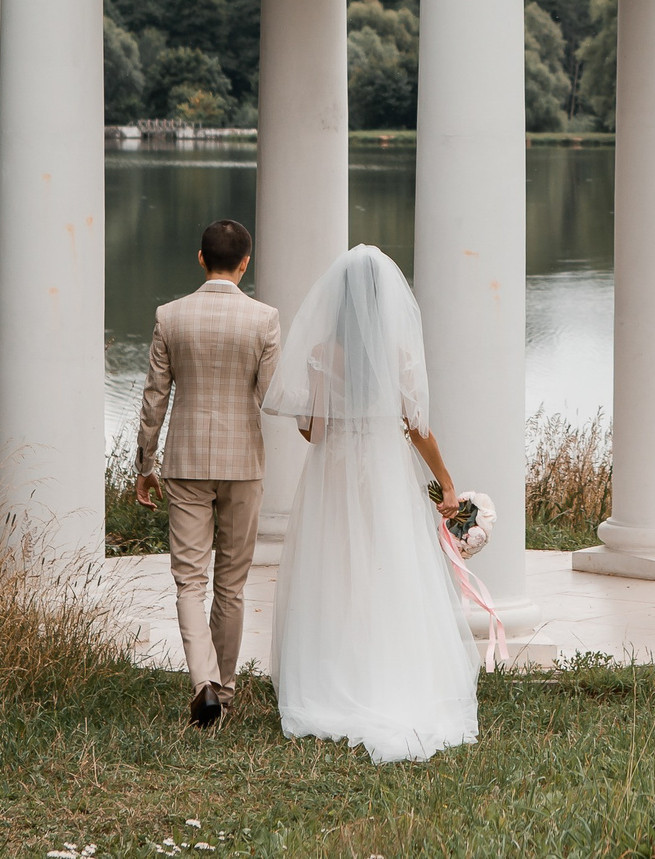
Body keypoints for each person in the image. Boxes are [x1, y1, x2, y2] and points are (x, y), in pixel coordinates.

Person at [262, 244, 480, 762]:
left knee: (335, 571)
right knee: (391, 570)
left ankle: (335, 676)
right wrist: (447, 484)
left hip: (334, 475)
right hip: (384, 474)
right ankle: (394, 674)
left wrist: (321, 415)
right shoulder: (399, 356)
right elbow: (418, 429)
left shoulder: (321, 353)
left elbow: (314, 433)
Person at [133, 218, 281, 729]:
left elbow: (155, 396)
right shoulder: (265, 319)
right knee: (232, 584)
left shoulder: (170, 316)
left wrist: (144, 463)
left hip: (187, 462)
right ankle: (226, 690)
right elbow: (270, 396)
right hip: (243, 463)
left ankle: (204, 684)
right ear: (245, 263)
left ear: (200, 258)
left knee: (189, 582)